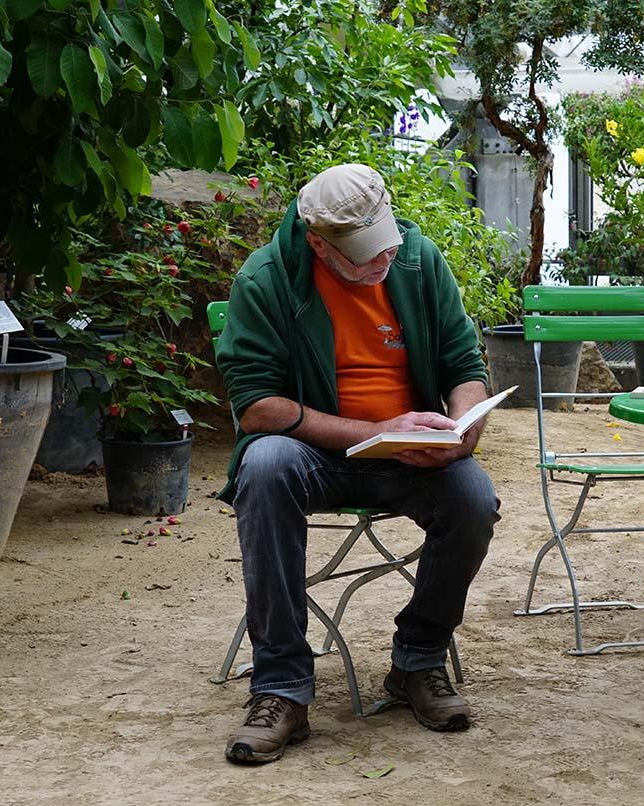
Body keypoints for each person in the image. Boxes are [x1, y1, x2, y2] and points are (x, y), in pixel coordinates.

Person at [213, 164, 501, 764]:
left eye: (387, 247)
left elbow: (464, 364)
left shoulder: (416, 260)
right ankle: (281, 688)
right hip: (314, 455)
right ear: (319, 242)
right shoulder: (266, 280)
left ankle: (418, 660)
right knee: (264, 468)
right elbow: (257, 409)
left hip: (413, 453)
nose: (382, 264)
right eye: (365, 258)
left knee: (473, 498)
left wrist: (461, 429)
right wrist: (373, 431)